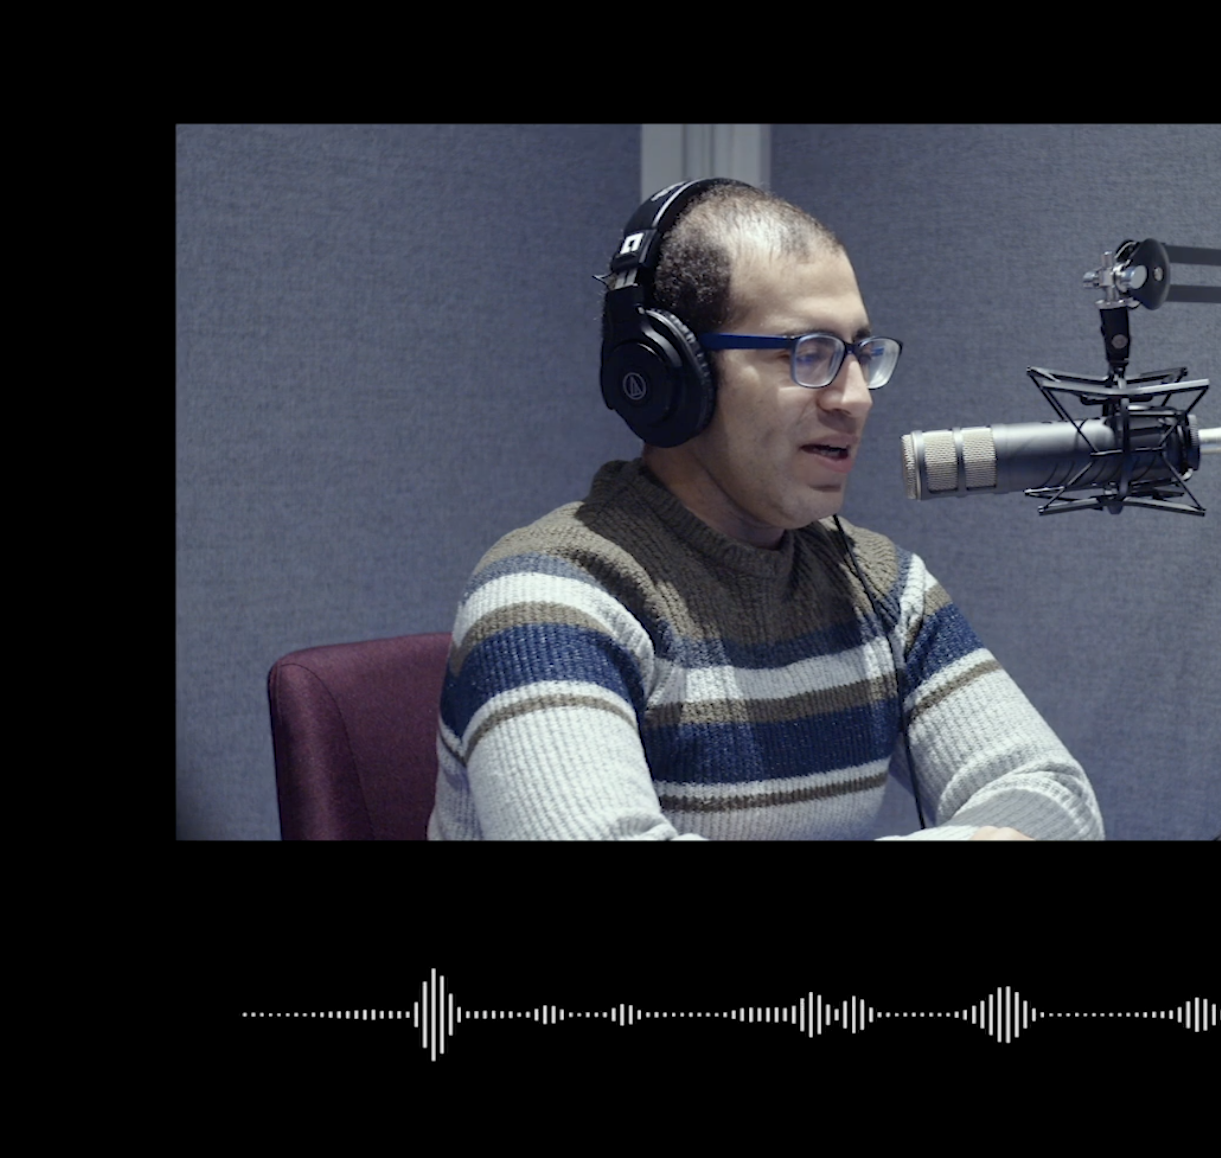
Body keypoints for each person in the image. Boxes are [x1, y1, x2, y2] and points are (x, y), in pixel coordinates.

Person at [429, 179, 1101, 840]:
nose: (856, 397)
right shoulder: (548, 599)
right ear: (672, 375)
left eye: (861, 354)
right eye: (809, 354)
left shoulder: (880, 586)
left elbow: (1055, 800)